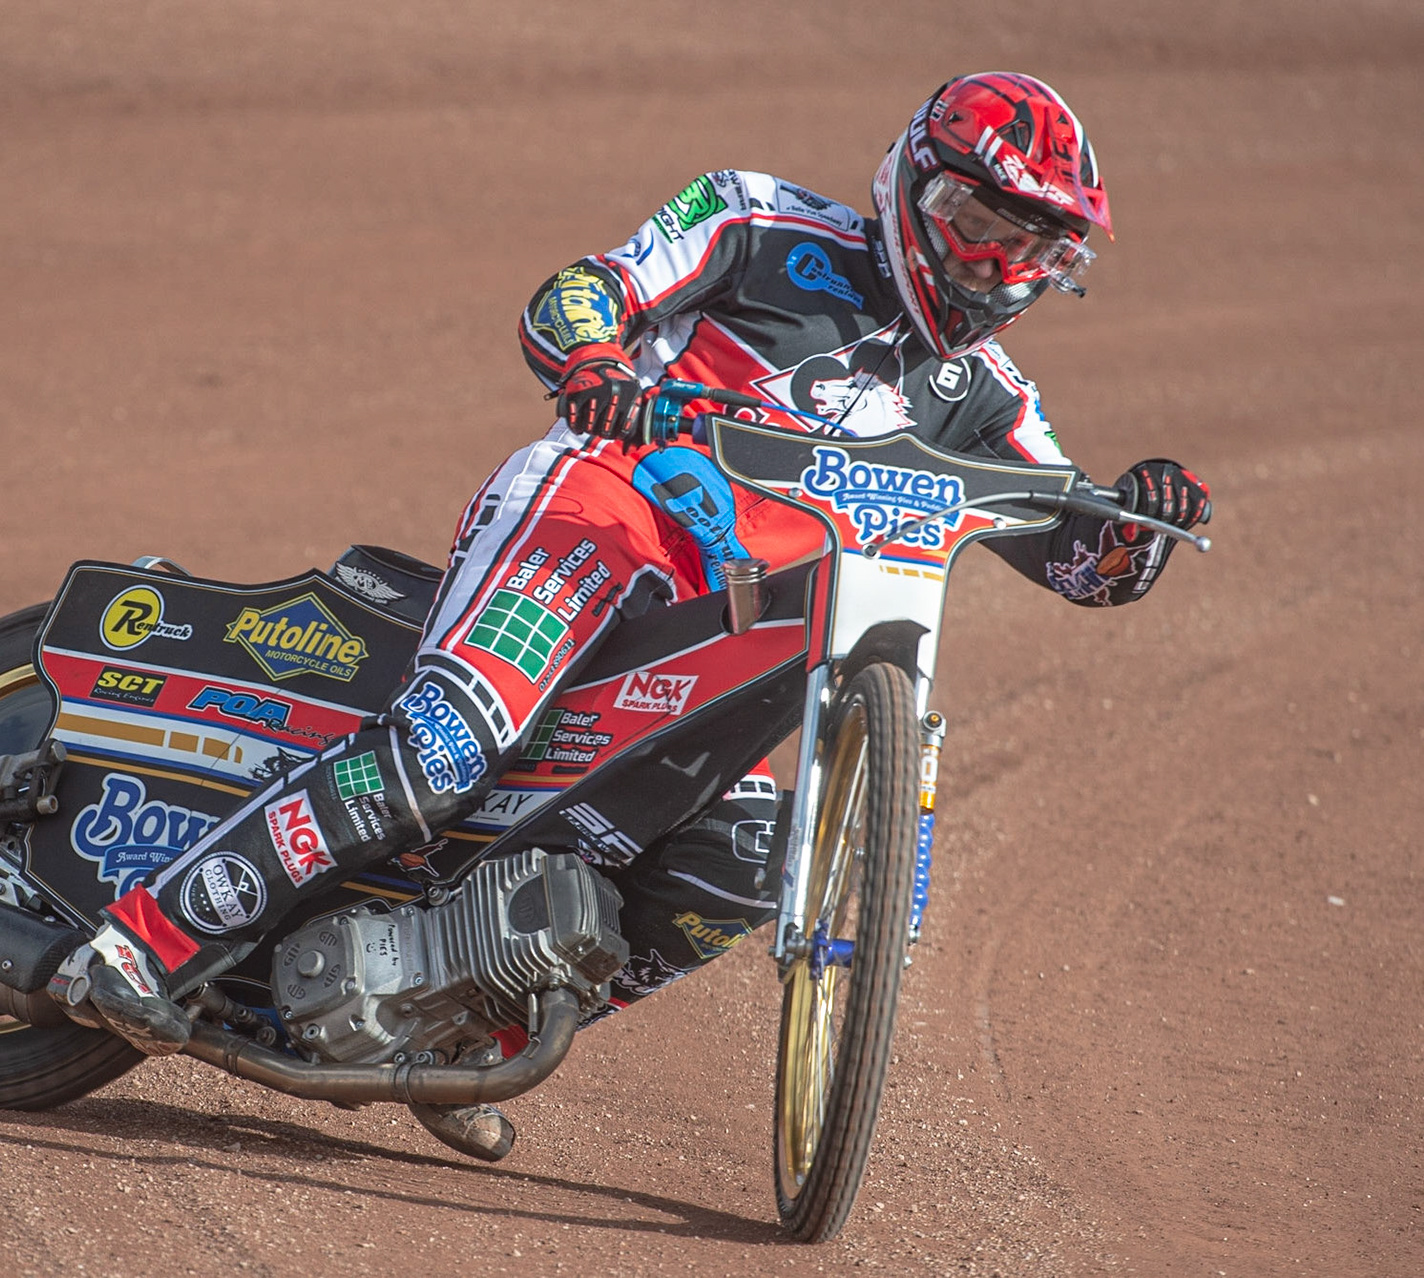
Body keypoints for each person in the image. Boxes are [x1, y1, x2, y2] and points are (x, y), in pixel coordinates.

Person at [75, 71, 1210, 1154]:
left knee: (749, 857)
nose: (999, 263)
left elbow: (1082, 559)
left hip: (736, 627)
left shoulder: (990, 399)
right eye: (979, 222)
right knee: (446, 742)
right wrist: (595, 362)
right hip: (604, 511)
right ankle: (149, 934)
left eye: (1033, 244)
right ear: (912, 184)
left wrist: (1138, 522)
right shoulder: (760, 221)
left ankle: (462, 1022)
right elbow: (579, 293)